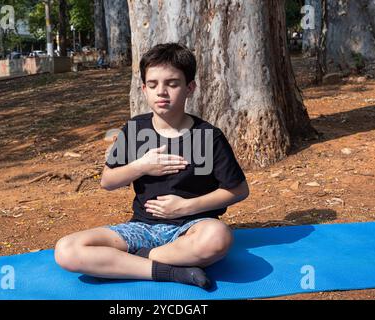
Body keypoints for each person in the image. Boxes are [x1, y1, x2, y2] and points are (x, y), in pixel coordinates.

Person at [55, 43, 249, 290]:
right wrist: (142, 166)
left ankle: (134, 260)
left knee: (218, 237)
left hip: (193, 228)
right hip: (142, 227)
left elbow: (239, 190)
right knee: (67, 250)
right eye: (154, 84)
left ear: (190, 88)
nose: (162, 92)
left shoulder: (208, 136)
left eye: (172, 83)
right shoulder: (135, 130)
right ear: (144, 89)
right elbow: (107, 181)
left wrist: (185, 207)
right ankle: (168, 271)